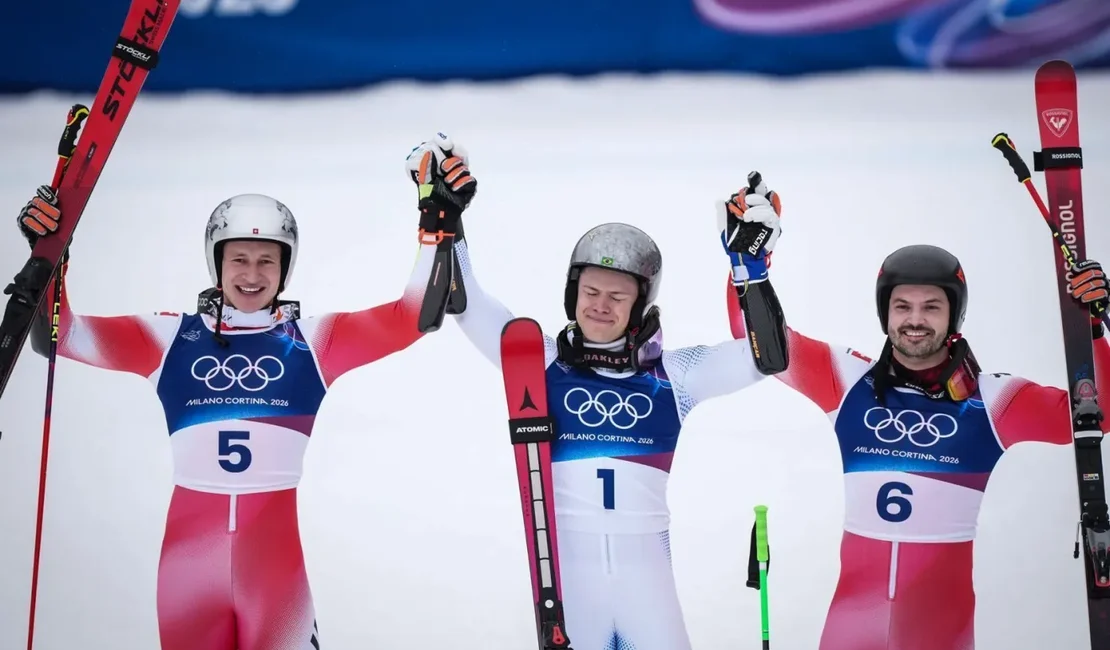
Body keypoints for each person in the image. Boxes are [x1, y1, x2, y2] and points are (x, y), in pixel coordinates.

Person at [15, 171, 474, 649]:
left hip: (273, 575)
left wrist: (435, 223)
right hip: (189, 574)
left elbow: (413, 316)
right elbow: (60, 336)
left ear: (285, 268)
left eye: (266, 261)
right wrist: (48, 255)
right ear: (216, 262)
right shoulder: (171, 338)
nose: (252, 276)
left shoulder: (314, 343)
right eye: (238, 259)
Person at [403, 133, 788, 650]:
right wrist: (449, 221)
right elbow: (465, 304)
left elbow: (765, 360)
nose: (600, 306)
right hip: (571, 589)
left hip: (648, 590)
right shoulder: (537, 362)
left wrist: (751, 270)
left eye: (617, 297)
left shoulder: (675, 377)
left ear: (639, 307)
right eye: (590, 292)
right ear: (573, 294)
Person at [725, 191, 1110, 649]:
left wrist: (1092, 327)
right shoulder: (848, 382)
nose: (915, 320)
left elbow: (1096, 416)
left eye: (931, 307)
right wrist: (749, 265)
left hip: (939, 632)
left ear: (954, 315)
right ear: (885, 313)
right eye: (902, 306)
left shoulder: (991, 401)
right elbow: (760, 344)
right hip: (851, 630)